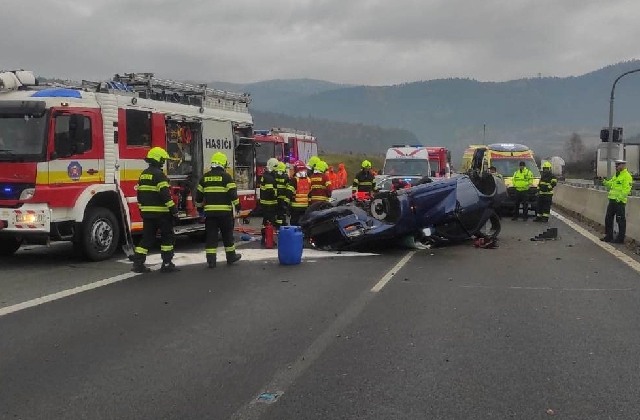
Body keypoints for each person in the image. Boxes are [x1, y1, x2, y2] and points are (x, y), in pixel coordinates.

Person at [131, 147, 179, 273]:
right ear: (158, 159)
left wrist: (142, 209)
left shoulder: (144, 174)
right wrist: (173, 210)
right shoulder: (159, 175)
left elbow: (139, 194)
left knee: (147, 238)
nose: (163, 162)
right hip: (162, 214)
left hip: (147, 214)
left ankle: (138, 264)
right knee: (167, 238)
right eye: (163, 160)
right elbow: (165, 195)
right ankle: (167, 263)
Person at [195, 152, 242, 268]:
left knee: (211, 237)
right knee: (227, 236)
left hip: (210, 214)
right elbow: (233, 195)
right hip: (225, 214)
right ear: (223, 164)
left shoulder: (204, 178)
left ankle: (211, 261)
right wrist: (238, 207)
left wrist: (200, 209)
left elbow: (198, 197)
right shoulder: (226, 177)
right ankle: (231, 257)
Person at [601, 159, 633, 243]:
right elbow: (610, 184)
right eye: (616, 165)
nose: (616, 167)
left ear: (622, 165)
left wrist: (619, 198)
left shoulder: (627, 176)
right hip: (612, 201)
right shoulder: (616, 175)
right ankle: (609, 236)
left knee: (620, 221)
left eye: (617, 165)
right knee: (608, 219)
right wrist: (604, 182)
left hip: (620, 202)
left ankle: (620, 239)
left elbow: (627, 190)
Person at [259, 158, 279, 229]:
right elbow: (270, 191)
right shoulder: (269, 178)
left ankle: (266, 236)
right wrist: (277, 195)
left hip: (266, 203)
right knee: (269, 221)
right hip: (269, 204)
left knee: (266, 220)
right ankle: (267, 236)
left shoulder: (266, 175)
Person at [289, 160, 310, 225]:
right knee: (303, 223)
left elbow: (289, 192)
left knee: (294, 223)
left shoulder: (294, 180)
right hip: (306, 206)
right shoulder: (309, 180)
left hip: (295, 206)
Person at [274, 161, 291, 228]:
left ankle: (277, 224)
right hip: (283, 198)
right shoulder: (285, 176)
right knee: (282, 212)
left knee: (277, 211)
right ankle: (282, 224)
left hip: (276, 197)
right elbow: (288, 187)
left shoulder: (274, 175)